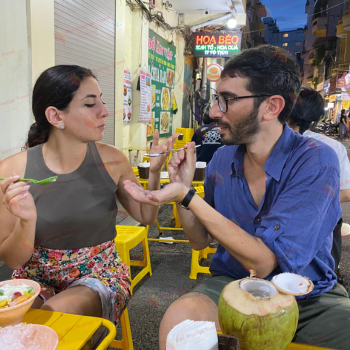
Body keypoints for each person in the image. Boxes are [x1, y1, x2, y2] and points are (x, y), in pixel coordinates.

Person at [123, 45, 350, 350]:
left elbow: (265, 261)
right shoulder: (222, 159)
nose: (214, 111)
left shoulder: (315, 159)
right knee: (180, 322)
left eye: (227, 100)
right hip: (232, 287)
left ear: (271, 107)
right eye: (217, 99)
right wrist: (182, 191)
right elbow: (199, 241)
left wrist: (189, 197)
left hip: (309, 298)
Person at [0, 65, 177, 347]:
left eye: (102, 101)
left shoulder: (113, 161)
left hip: (99, 275)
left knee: (50, 321)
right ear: (55, 116)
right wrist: (26, 222)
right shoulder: (13, 172)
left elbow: (146, 217)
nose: (105, 111)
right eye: (90, 104)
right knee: (12, 332)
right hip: (34, 279)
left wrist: (154, 173)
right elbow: (12, 261)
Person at [288, 87, 350, 271]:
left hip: (277, 224)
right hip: (324, 222)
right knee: (320, 277)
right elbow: (346, 193)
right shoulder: (332, 147)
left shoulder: (270, 143)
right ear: (316, 116)